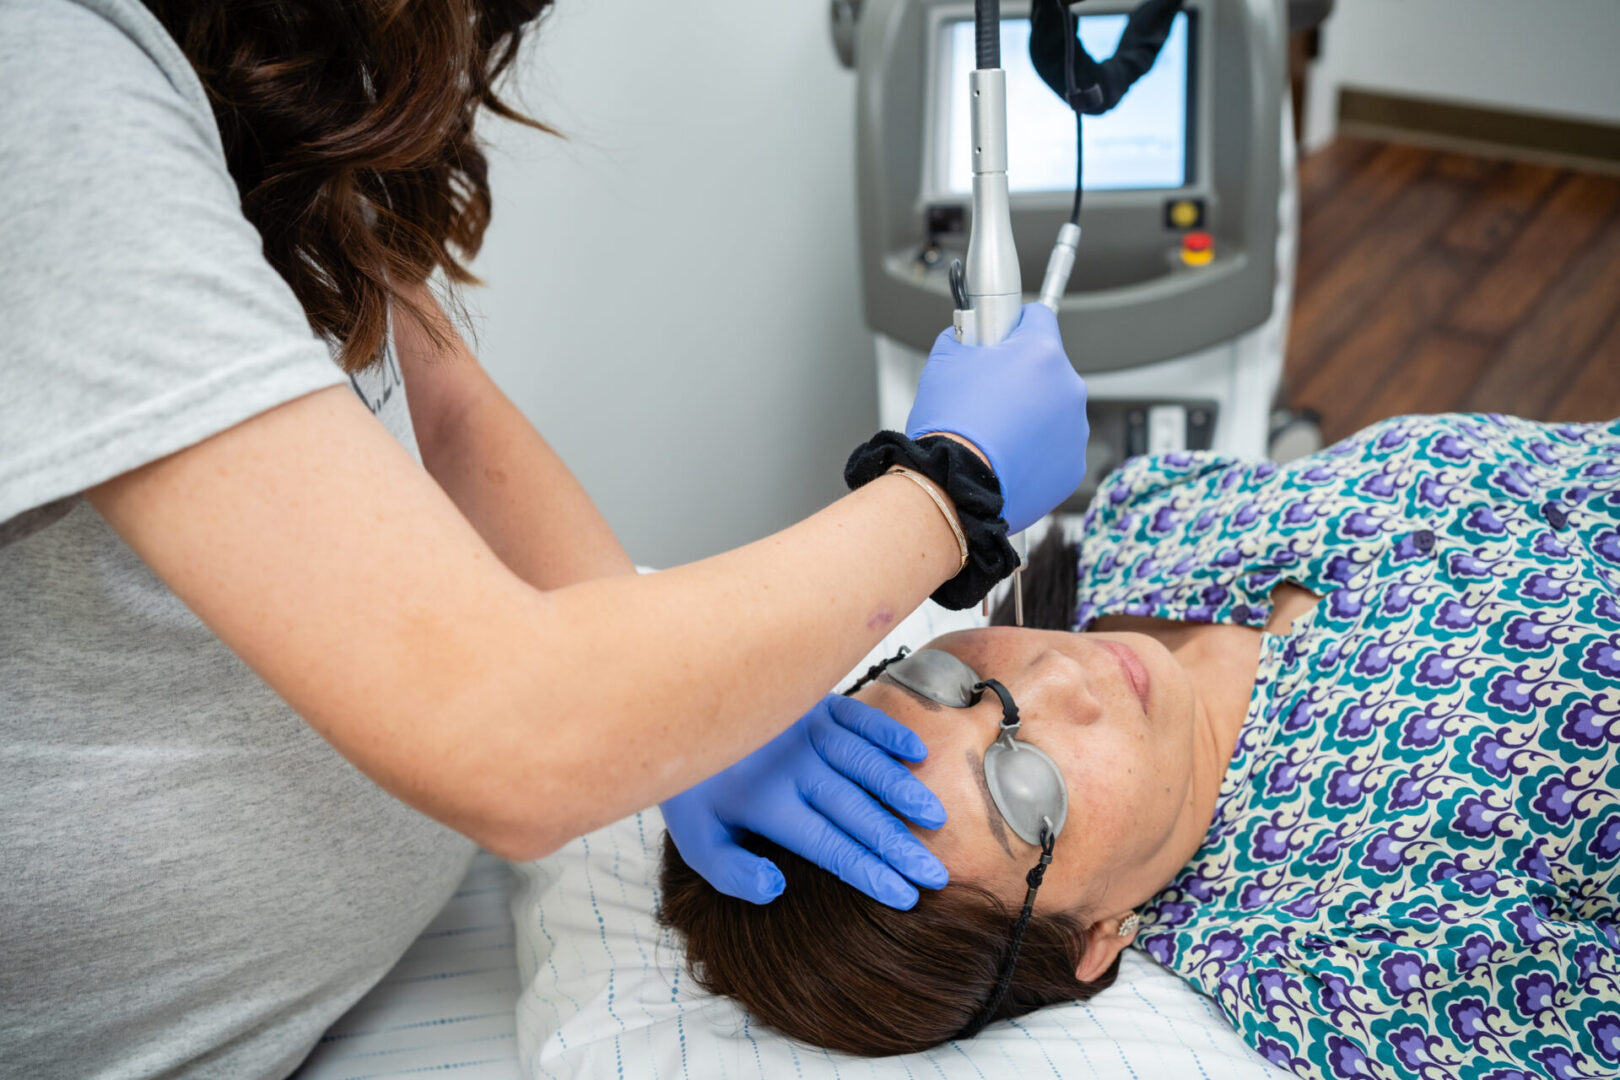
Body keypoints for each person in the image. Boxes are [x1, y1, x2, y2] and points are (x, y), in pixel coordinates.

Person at [0, 1, 1091, 1076]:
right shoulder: (48, 76)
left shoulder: (250, 54)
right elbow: (505, 731)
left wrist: (691, 727)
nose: (1064, 682)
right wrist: (949, 493)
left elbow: (420, 386)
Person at [659, 413, 1620, 1080]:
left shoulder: (1144, 521)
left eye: (947, 684)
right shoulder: (1353, 960)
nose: (1058, 681)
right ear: (1087, 940)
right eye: (1025, 789)